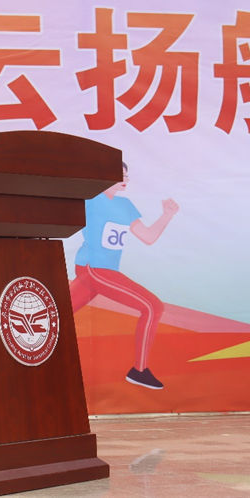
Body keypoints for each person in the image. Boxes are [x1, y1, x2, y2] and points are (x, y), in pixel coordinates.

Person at [69, 162, 179, 390]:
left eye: (126, 175)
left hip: (107, 271)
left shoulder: (125, 205)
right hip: (94, 269)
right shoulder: (90, 200)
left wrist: (167, 215)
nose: (125, 179)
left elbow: (148, 237)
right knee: (153, 307)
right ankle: (139, 371)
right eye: (120, 174)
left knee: (57, 315)